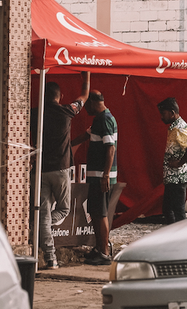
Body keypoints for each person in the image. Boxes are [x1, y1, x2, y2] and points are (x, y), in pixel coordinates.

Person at [39, 71, 90, 269]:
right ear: (59, 97)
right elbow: (84, 96)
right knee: (64, 208)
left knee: (43, 213)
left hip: (41, 170)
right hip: (61, 169)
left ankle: (50, 258)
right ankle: (43, 228)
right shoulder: (66, 111)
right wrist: (86, 74)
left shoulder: (36, 113)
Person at [73, 90, 118, 266]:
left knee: (100, 214)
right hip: (96, 176)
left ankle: (104, 253)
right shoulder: (99, 119)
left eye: (86, 106)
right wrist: (69, 144)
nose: (85, 110)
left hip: (101, 176)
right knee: (94, 212)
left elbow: (110, 148)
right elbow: (86, 135)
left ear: (92, 102)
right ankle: (99, 248)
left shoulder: (105, 119)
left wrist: (105, 174)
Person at [158, 97, 187, 224]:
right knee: (168, 209)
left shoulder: (179, 128)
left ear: (172, 112)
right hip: (172, 177)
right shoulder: (174, 127)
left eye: (163, 114)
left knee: (178, 211)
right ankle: (172, 232)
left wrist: (180, 163)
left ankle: (179, 235)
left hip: (177, 177)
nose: (161, 117)